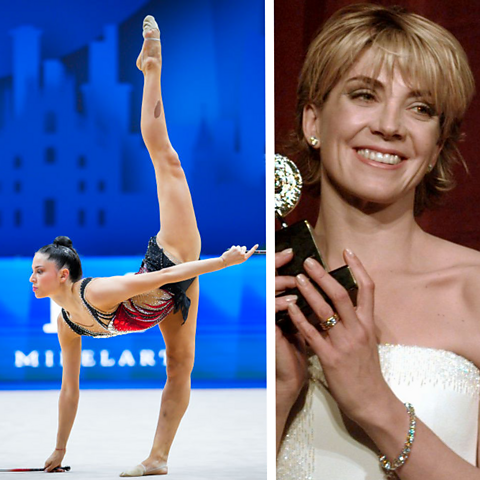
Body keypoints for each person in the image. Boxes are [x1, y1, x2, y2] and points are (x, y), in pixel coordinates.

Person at [31, 16, 257, 476]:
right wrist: (59, 450)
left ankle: (150, 66)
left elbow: (166, 276)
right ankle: (157, 460)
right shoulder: (68, 323)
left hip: (174, 259)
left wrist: (224, 262)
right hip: (161, 303)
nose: (31, 277)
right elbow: (69, 389)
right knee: (178, 365)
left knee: (166, 158)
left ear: (64, 274)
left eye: (38, 270)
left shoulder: (96, 293)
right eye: (33, 270)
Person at [275, 4, 480, 479]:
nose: (390, 125)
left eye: (421, 108)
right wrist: (283, 390)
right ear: (312, 121)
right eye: (365, 95)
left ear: (436, 147)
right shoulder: (260, 283)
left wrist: (376, 405)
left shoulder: (473, 288)